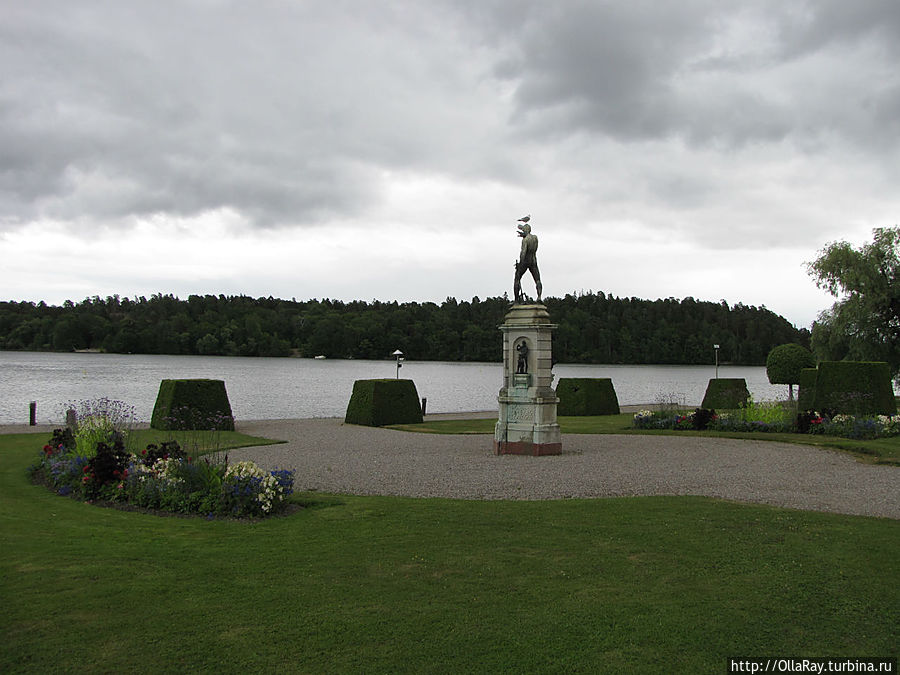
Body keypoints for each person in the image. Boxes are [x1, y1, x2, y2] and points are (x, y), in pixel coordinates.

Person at [513, 221, 542, 303]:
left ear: (526, 230)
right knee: (537, 279)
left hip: (525, 261)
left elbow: (523, 253)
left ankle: (516, 300)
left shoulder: (525, 240)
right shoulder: (535, 238)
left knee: (517, 279)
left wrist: (520, 264)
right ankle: (539, 296)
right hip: (533, 260)